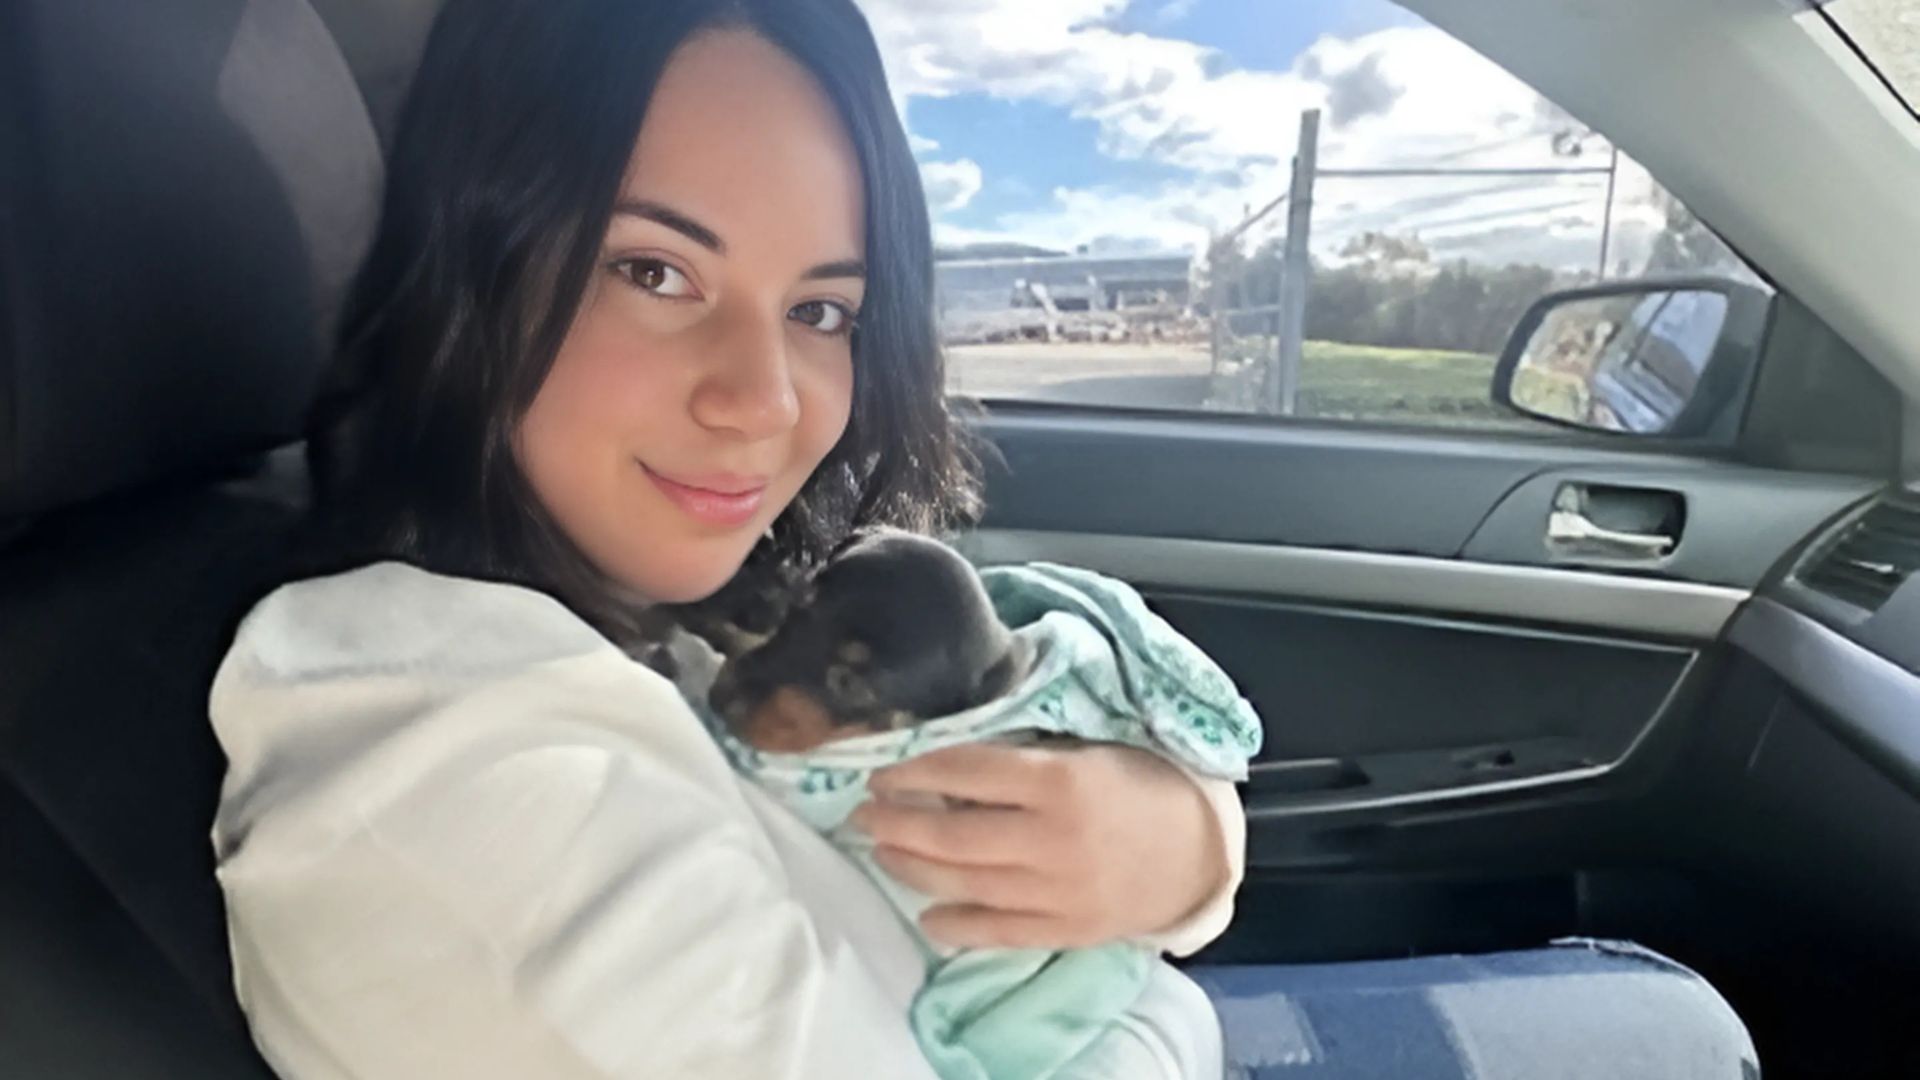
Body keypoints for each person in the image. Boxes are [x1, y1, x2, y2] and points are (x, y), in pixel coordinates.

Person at [209, 1, 1243, 1076]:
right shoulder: (460, 783)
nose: (766, 401)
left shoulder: (662, 622)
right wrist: (1168, 1012)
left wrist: (1185, 844)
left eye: (821, 312)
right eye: (654, 271)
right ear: (471, 268)